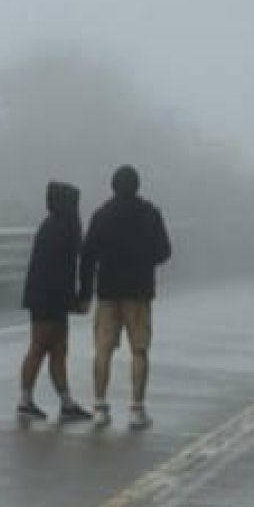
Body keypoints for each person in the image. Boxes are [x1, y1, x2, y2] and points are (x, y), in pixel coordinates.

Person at [77, 165, 171, 430]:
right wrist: (143, 261)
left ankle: (99, 406)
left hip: (108, 290)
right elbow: (164, 251)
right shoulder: (150, 214)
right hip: (139, 291)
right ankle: (136, 409)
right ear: (137, 185)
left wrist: (85, 293)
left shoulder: (102, 215)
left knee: (103, 349)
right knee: (139, 350)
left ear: (113, 185)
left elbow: (87, 255)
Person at [17, 181, 93, 423]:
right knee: (41, 348)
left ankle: (65, 402)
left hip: (44, 295)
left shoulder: (49, 225)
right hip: (51, 298)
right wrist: (79, 298)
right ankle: (26, 401)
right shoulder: (68, 226)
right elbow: (73, 263)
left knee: (57, 350)